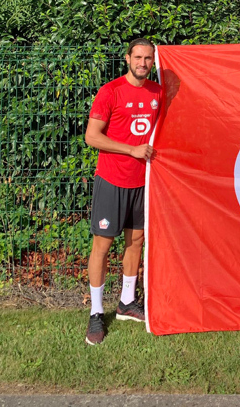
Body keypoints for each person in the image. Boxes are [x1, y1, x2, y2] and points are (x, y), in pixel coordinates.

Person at [84, 38, 162, 346]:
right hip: (112, 180)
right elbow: (92, 136)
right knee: (102, 246)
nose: (143, 63)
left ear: (153, 62)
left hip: (144, 182)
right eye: (138, 57)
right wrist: (131, 150)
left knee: (136, 241)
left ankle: (127, 303)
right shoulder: (111, 91)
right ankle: (96, 312)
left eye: (148, 58)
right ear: (127, 58)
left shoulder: (157, 92)